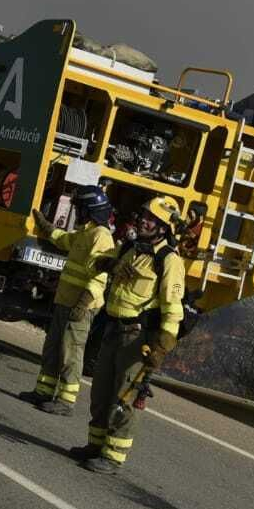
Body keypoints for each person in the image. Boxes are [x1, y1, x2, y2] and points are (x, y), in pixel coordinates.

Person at [83, 195, 186, 475]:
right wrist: (111, 265)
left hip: (136, 339)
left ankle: (112, 456)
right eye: (144, 216)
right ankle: (95, 446)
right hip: (112, 329)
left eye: (151, 219)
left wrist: (162, 347)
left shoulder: (169, 260)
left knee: (124, 398)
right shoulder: (130, 247)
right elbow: (95, 262)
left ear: (163, 228)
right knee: (101, 391)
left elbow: (173, 309)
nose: (143, 221)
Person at [26, 186, 116, 416]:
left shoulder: (101, 236)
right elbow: (64, 240)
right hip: (65, 302)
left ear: (90, 210)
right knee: (53, 347)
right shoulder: (85, 233)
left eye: (80, 208)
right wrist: (47, 227)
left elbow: (100, 277)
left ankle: (66, 401)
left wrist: (82, 304)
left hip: (80, 307)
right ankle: (43, 391)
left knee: (70, 352)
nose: (77, 213)